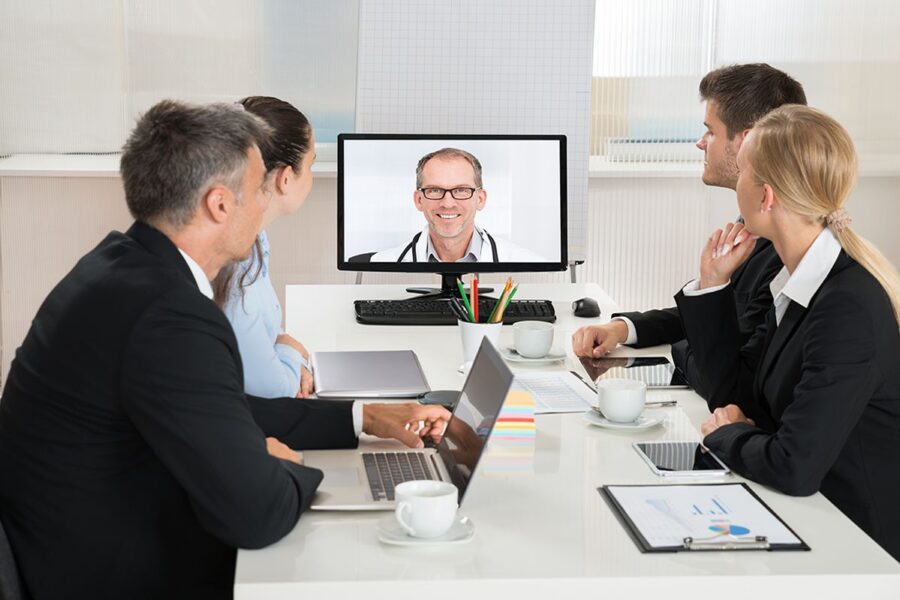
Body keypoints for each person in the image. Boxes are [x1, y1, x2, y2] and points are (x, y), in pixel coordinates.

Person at [0, 100, 450, 598]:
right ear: (219, 204)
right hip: (112, 570)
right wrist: (281, 466)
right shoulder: (169, 316)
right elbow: (257, 514)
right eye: (259, 187)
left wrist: (363, 418)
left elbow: (216, 407)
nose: (267, 200)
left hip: (73, 537)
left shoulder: (121, 264)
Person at [675, 105, 900, 560]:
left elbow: (793, 465)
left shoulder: (846, 306)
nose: (735, 183)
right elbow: (738, 395)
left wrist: (727, 434)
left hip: (857, 543)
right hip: (810, 517)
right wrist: (714, 287)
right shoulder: (800, 283)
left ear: (767, 196)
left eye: (742, 173)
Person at [572, 64, 806, 398]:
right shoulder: (753, 225)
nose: (701, 143)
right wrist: (624, 328)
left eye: (710, 131)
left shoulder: (787, 251)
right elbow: (713, 319)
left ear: (748, 139)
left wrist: (684, 347)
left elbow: (723, 365)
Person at [212, 96, 316, 398]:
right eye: (310, 165)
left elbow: (264, 334)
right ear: (285, 178)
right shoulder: (234, 265)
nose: (309, 175)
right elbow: (272, 390)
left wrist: (282, 344)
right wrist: (291, 354)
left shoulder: (254, 238)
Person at [349, 147, 544, 263]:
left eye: (461, 190)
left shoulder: (529, 261)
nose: (448, 203)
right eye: (434, 190)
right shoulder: (380, 263)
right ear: (418, 200)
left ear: (480, 199)